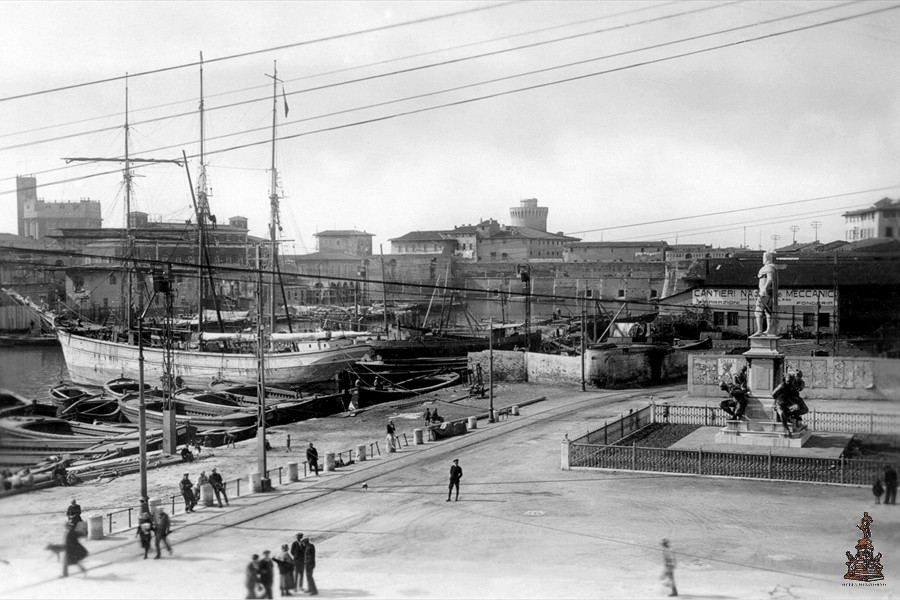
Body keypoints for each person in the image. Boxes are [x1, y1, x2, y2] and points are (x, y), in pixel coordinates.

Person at [751, 250, 778, 337]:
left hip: (764, 293)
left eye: (763, 257)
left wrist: (764, 289)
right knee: (768, 312)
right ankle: (769, 330)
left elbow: (769, 279)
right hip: (769, 293)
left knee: (758, 311)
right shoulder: (773, 267)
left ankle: (759, 330)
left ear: (766, 258)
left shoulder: (768, 267)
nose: (763, 259)